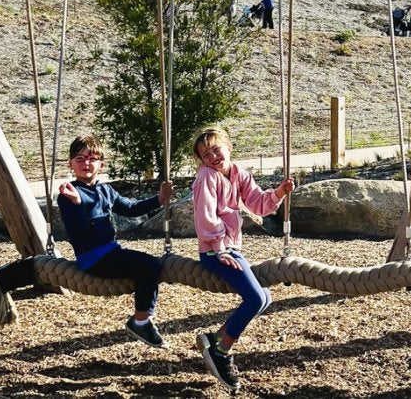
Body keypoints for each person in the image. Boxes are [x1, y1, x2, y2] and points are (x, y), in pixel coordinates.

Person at [191, 127, 294, 392]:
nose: (213, 156)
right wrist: (219, 248)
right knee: (256, 298)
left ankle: (215, 338)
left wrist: (279, 193)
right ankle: (221, 352)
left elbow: (258, 204)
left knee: (265, 298)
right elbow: (205, 217)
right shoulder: (206, 177)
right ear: (201, 161)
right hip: (215, 250)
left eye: (216, 149)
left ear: (228, 147)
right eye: (205, 154)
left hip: (231, 248)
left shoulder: (239, 173)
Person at [55, 135, 173, 347]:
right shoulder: (69, 194)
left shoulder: (105, 190)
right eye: (80, 159)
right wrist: (76, 204)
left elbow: (130, 208)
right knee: (149, 266)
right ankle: (141, 321)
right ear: (70, 163)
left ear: (101, 164)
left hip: (111, 252)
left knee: (146, 265)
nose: (86, 163)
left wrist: (159, 200)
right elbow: (78, 231)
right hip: (93, 258)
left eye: (92, 158)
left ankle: (143, 318)